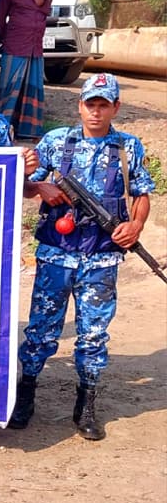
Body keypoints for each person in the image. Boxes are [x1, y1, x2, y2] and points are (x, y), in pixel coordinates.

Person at [13, 73, 154, 440]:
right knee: (42, 331)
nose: (95, 111)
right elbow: (27, 185)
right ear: (80, 106)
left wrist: (135, 226)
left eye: (103, 104)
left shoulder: (128, 147)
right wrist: (37, 186)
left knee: (93, 334)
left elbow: (141, 193)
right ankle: (25, 396)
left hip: (102, 259)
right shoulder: (57, 142)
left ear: (115, 108)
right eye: (90, 103)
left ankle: (86, 403)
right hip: (56, 254)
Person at [0, 0, 54, 140]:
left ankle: (28, 132)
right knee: (10, 90)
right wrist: (5, 39)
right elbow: (0, 18)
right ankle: (4, 130)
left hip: (36, 49)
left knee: (32, 89)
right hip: (15, 47)